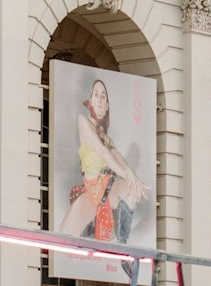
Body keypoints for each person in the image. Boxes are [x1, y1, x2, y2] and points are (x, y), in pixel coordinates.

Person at [57, 77, 148, 245]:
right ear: (90, 100)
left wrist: (132, 177)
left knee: (130, 189)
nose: (99, 99)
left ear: (107, 106)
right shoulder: (83, 122)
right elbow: (103, 152)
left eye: (103, 96)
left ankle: (124, 246)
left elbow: (118, 157)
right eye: (96, 94)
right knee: (64, 235)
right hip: (91, 190)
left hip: (107, 187)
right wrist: (128, 175)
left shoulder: (107, 137)